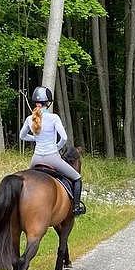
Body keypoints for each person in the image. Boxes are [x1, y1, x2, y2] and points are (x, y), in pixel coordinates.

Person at [19, 86, 86, 216]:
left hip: (36, 159)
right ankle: (76, 208)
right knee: (77, 178)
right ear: (48, 102)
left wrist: (35, 139)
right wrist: (57, 148)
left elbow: (22, 136)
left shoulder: (29, 119)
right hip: (52, 158)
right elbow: (64, 138)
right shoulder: (54, 117)